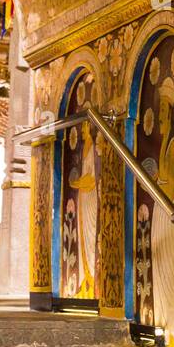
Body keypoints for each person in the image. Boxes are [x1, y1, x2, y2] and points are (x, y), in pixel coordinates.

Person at [151, 77, 174, 347]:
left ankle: (171, 335)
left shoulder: (172, 143)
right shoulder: (164, 143)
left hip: (168, 212)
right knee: (159, 276)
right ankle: (163, 333)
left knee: (168, 275)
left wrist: (153, 180)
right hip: (161, 214)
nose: (160, 118)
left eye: (162, 113)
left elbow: (170, 181)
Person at [69, 124, 98, 299]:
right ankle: (85, 283)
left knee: (90, 235)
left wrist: (77, 183)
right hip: (83, 197)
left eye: (84, 126)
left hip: (90, 196)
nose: (81, 129)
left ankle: (93, 280)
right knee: (82, 238)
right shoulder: (85, 146)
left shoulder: (92, 146)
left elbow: (92, 177)